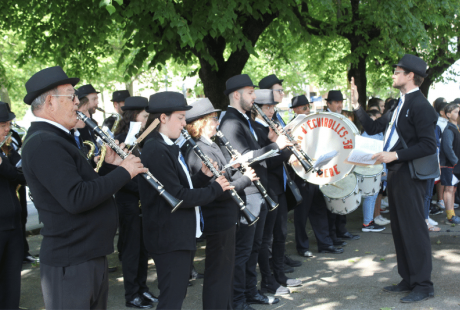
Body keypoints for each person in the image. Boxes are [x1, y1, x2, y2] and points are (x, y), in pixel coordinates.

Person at [21, 66, 148, 309]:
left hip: (85, 255)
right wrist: (125, 171)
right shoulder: (44, 143)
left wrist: (111, 166)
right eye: (71, 97)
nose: (77, 104)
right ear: (50, 102)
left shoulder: (58, 138)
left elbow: (84, 184)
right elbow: (76, 197)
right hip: (71, 262)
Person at [351, 54, 437, 303]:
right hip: (397, 174)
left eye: (397, 71)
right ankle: (409, 279)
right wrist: (357, 105)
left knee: (414, 230)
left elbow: (429, 145)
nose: (393, 74)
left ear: (410, 75)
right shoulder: (399, 104)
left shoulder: (421, 106)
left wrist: (394, 155)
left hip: (410, 176)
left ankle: (424, 284)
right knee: (400, 230)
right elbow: (374, 128)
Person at [138, 91, 232, 310]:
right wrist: (216, 188)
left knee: (176, 296)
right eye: (180, 117)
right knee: (171, 299)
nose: (184, 123)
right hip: (169, 237)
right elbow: (178, 197)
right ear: (163, 118)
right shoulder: (155, 149)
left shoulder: (167, 145)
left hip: (178, 235)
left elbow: (181, 187)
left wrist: (203, 177)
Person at [219, 74, 291, 309]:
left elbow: (254, 151)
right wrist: (275, 146)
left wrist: (270, 142)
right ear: (237, 95)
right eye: (250, 93)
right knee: (244, 251)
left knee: (254, 248)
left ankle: (250, 292)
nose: (254, 97)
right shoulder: (231, 121)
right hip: (247, 191)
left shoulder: (242, 119)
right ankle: (238, 299)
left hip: (256, 191)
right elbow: (243, 158)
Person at [184, 98, 257, 309]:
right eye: (213, 119)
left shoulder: (211, 145)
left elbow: (222, 176)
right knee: (218, 274)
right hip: (217, 219)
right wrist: (246, 179)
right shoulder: (199, 150)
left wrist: (233, 167)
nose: (217, 122)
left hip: (225, 217)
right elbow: (219, 190)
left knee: (225, 272)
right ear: (201, 123)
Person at [251, 90, 302, 295]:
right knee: (266, 239)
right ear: (258, 109)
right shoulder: (255, 129)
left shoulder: (272, 127)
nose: (271, 111)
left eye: (273, 107)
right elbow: (268, 161)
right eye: (267, 108)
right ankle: (268, 281)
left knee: (281, 234)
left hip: (279, 187)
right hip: (267, 188)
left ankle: (280, 276)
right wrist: (285, 148)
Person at [113, 96, 157, 308]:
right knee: (131, 251)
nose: (147, 119)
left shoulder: (142, 138)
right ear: (133, 116)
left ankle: (142, 288)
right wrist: (145, 190)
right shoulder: (122, 139)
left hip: (141, 201)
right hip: (129, 203)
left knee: (142, 250)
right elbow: (120, 175)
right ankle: (132, 295)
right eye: (145, 115)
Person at [290, 95, 344, 256]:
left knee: (319, 210)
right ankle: (302, 247)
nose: (308, 110)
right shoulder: (291, 127)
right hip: (301, 176)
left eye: (308, 107)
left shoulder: (313, 124)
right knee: (301, 214)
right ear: (295, 110)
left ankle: (325, 243)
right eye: (304, 108)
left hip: (316, 174)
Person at [325, 90, 360, 243]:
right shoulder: (324, 118)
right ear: (329, 104)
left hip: (342, 163)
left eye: (341, 102)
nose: (340, 105)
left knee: (342, 196)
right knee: (332, 199)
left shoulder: (342, 117)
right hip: (329, 165)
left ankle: (341, 230)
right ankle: (332, 234)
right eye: (336, 102)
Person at [0, 101, 25, 309]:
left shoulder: (6, 150)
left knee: (12, 284)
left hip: (13, 225)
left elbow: (23, 175)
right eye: (2, 125)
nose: (7, 129)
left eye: (8, 124)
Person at [360, 110, 387, 232]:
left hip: (374, 169)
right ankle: (367, 223)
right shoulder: (369, 135)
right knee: (371, 195)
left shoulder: (374, 133)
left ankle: (369, 221)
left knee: (373, 195)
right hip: (371, 169)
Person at [439, 103, 460, 224]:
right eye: (456, 111)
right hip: (449, 165)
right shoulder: (448, 130)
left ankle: (452, 214)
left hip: (455, 165)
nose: (458, 114)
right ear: (448, 114)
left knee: (453, 189)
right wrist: (456, 162)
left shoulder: (456, 128)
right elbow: (447, 148)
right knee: (449, 189)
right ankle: (450, 216)